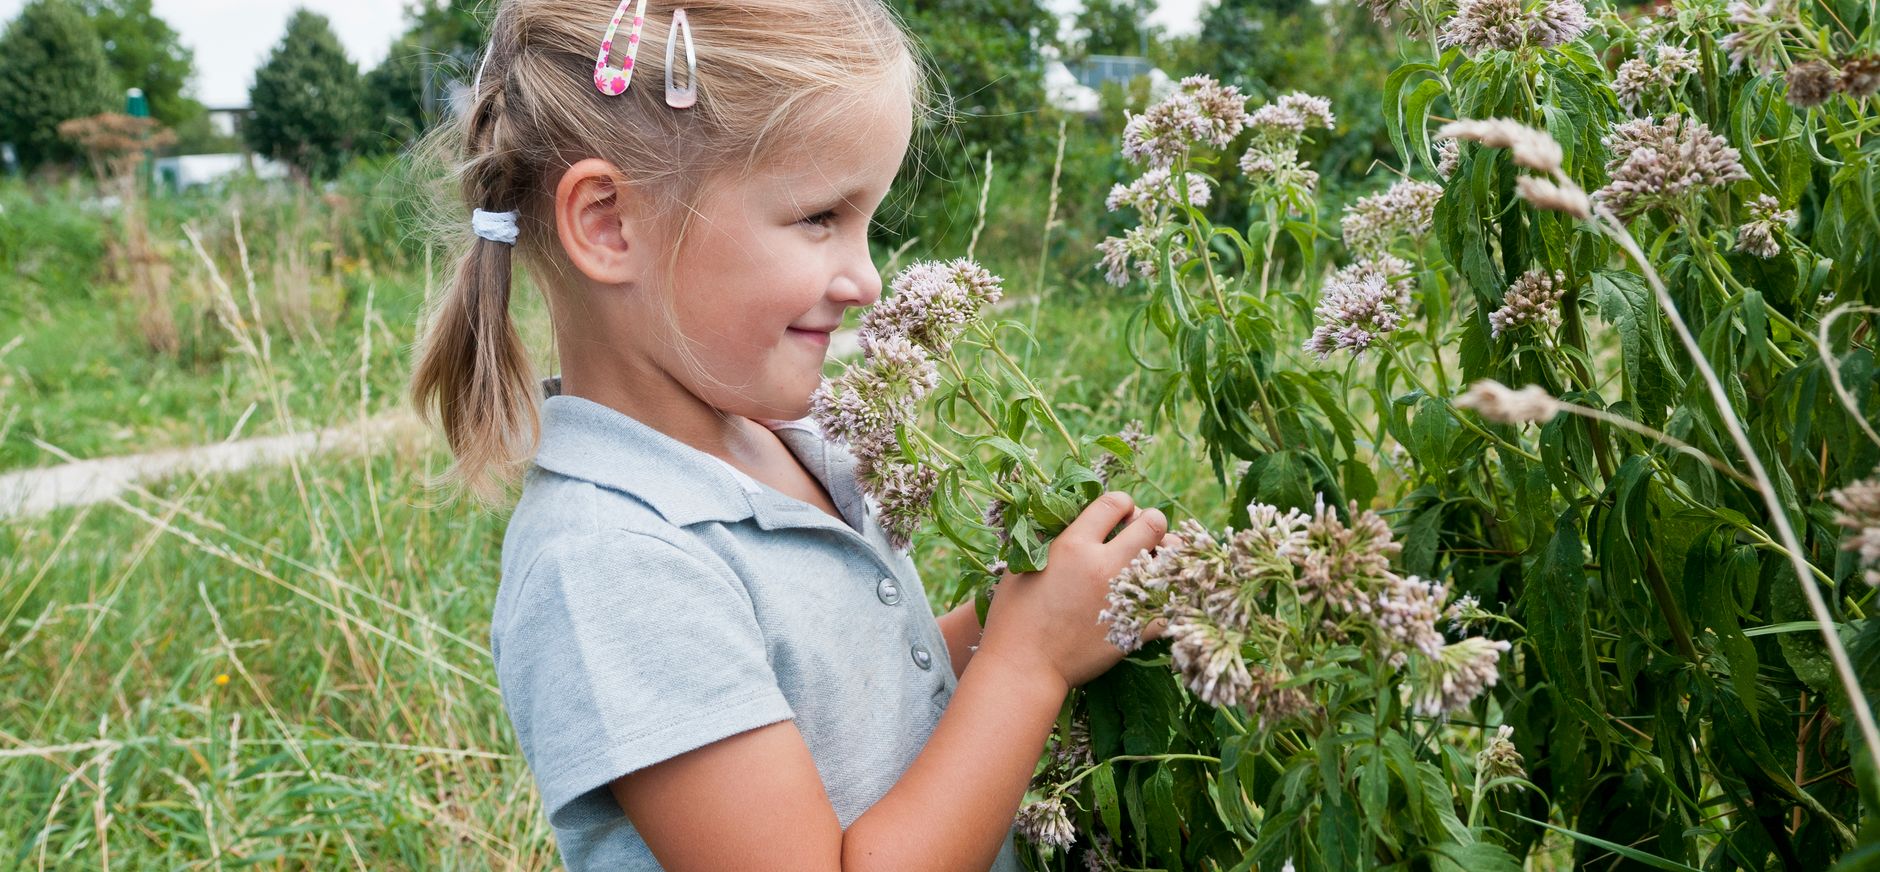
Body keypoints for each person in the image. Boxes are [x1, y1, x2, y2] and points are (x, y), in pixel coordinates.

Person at [408, 0, 1171, 868]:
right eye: (820, 218)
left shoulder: (780, 445)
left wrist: (1015, 617)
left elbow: (864, 693)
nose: (868, 279)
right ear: (610, 223)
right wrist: (1029, 666)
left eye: (868, 222)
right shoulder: (612, 563)